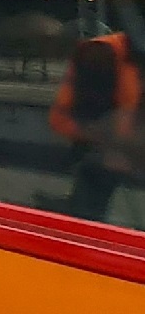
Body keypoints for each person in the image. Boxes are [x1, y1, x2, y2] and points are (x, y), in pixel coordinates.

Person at [52, 32, 141, 220]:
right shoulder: (101, 52)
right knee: (89, 212)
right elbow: (93, 118)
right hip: (99, 148)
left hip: (115, 149)